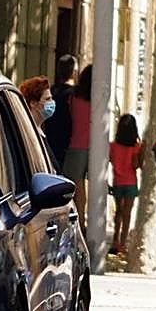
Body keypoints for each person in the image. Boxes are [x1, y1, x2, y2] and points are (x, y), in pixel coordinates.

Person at [63, 65, 93, 227]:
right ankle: (83, 219)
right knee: (85, 186)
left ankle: (79, 221)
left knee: (76, 184)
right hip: (94, 147)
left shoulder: (73, 97)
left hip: (76, 145)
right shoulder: (97, 100)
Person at [109, 113, 144, 254]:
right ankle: (123, 243)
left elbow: (110, 159)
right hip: (130, 183)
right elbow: (136, 165)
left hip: (117, 182)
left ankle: (115, 240)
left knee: (118, 212)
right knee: (127, 214)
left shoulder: (112, 146)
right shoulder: (136, 146)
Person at [44, 54, 78, 165]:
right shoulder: (75, 95)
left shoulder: (50, 92)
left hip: (50, 141)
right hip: (68, 145)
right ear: (74, 73)